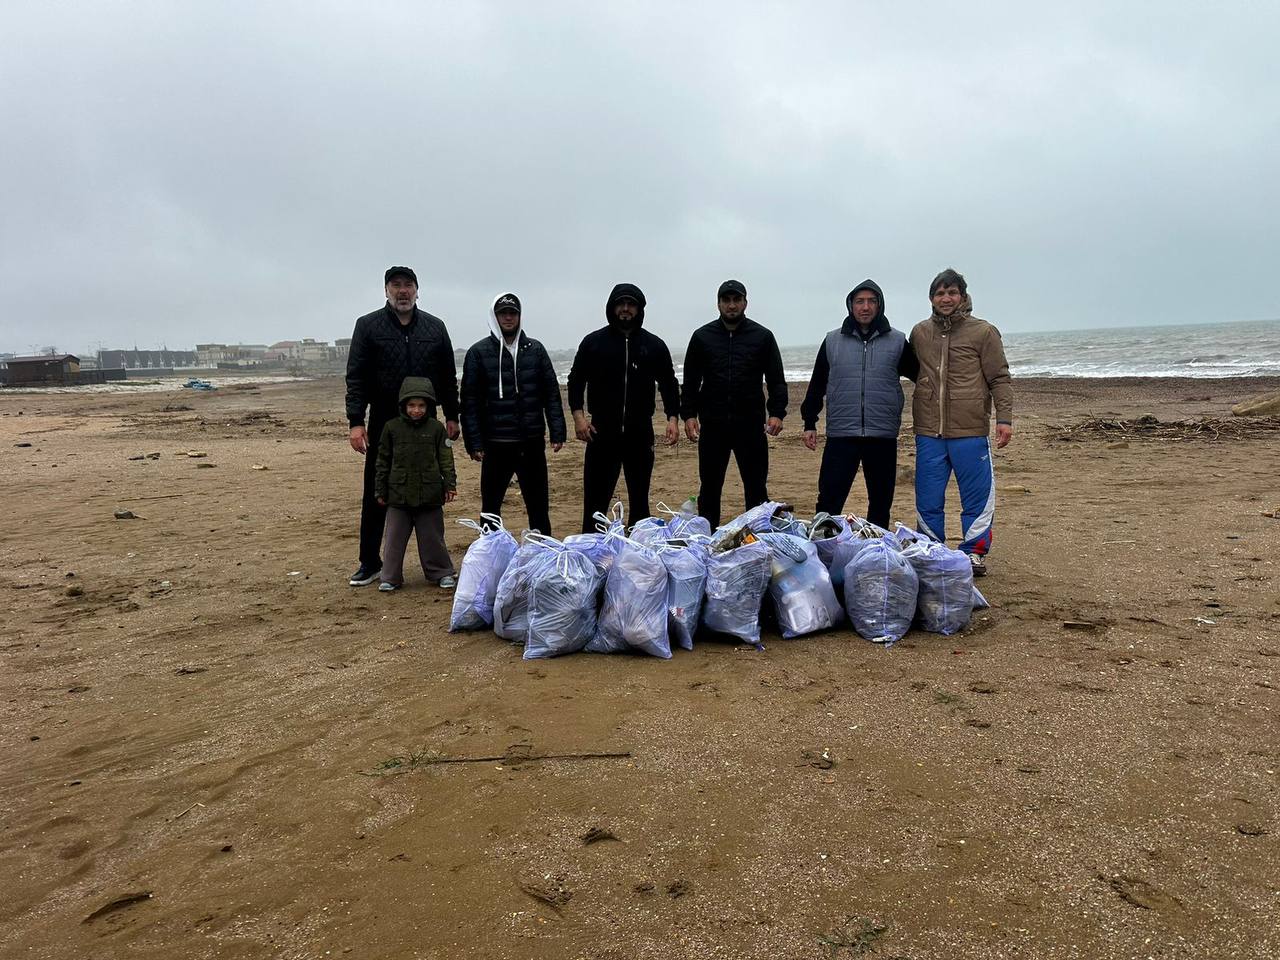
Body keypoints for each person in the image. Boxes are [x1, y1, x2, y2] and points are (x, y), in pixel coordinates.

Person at [345, 266, 459, 587]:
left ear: (417, 291)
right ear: (386, 291)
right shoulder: (368, 326)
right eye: (395, 285)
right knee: (377, 489)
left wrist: (452, 415)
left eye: (408, 285)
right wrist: (356, 421)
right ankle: (370, 562)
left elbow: (448, 377)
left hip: (427, 421)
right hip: (384, 420)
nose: (402, 291)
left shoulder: (435, 328)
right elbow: (356, 376)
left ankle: (436, 567)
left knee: (429, 490)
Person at [909, 268, 1014, 576]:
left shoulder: (984, 332)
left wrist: (1004, 419)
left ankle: (974, 552)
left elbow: (999, 378)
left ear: (963, 296)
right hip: (929, 431)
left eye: (952, 292)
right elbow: (910, 370)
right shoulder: (919, 333)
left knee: (976, 496)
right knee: (928, 496)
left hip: (970, 430)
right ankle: (931, 548)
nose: (946, 298)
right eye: (940, 293)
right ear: (931, 298)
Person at [800, 280, 918, 527]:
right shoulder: (832, 341)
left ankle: (876, 546)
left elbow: (923, 378)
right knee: (829, 500)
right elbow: (817, 383)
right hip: (842, 434)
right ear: (851, 305)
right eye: (859, 301)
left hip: (882, 434)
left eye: (871, 301)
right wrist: (810, 421)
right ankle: (823, 544)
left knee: (881, 502)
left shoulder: (897, 341)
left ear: (879, 305)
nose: (865, 307)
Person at [567, 283, 681, 532]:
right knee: (595, 500)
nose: (626, 309)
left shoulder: (653, 345)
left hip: (639, 432)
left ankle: (637, 546)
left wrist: (672, 418)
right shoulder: (594, 342)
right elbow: (575, 381)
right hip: (601, 431)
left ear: (639, 309)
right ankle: (593, 546)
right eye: (621, 304)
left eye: (631, 304)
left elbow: (669, 384)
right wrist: (579, 417)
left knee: (640, 499)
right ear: (612, 307)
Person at [680, 279, 787, 530]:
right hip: (713, 425)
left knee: (756, 487)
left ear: (745, 303)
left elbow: (776, 379)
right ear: (718, 304)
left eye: (736, 300)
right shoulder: (702, 337)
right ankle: (707, 538)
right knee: (710, 486)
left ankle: (758, 537)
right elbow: (691, 381)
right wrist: (689, 414)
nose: (731, 305)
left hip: (750, 425)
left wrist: (777, 413)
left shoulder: (762, 336)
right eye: (726, 300)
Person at [460, 293, 566, 535]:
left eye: (513, 313)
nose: (508, 318)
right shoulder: (478, 352)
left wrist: (557, 431)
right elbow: (470, 402)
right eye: (503, 313)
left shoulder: (535, 350)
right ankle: (490, 551)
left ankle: (542, 551)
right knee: (491, 507)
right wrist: (473, 442)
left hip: (531, 442)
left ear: (519, 316)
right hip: (495, 443)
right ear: (494, 316)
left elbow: (551, 393)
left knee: (538, 505)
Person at [374, 377, 457, 591]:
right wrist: (380, 489)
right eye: (411, 405)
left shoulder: (436, 428)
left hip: (430, 493)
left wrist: (449, 484)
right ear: (403, 405)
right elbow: (382, 461)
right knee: (394, 538)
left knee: (432, 537)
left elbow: (446, 459)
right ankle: (390, 577)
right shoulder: (391, 428)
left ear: (428, 406)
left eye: (421, 405)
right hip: (398, 494)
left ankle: (442, 572)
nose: (416, 410)